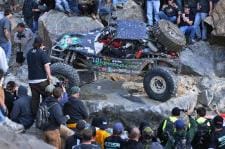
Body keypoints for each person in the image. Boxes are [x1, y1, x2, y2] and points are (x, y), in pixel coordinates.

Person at [27, 36, 51, 117]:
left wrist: (40, 49)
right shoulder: (42, 53)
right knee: (46, 96)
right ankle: (44, 114)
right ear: (41, 44)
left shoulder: (29, 52)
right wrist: (49, 76)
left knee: (35, 99)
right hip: (42, 80)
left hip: (31, 80)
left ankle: (34, 116)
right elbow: (46, 66)